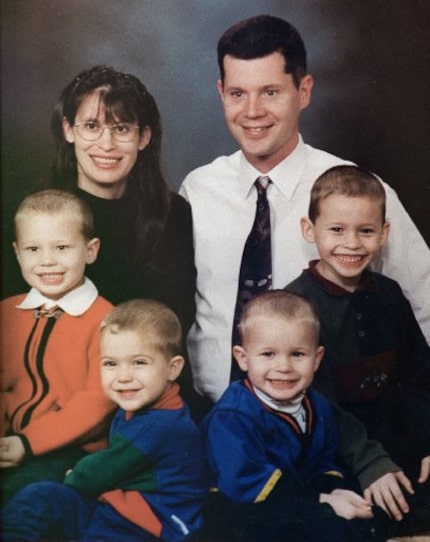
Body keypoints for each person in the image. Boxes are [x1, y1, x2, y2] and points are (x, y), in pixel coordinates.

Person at [179, 14, 430, 404]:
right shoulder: (198, 189)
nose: (252, 111)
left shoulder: (360, 192)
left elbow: (425, 304)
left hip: (327, 426)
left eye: (270, 92)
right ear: (220, 92)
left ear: (305, 90)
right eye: (237, 93)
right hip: (210, 418)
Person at [286, 165, 430, 536]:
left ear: (383, 234)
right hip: (331, 454)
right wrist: (371, 464)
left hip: (394, 446)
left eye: (365, 231)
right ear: (309, 230)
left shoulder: (389, 295)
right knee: (348, 522)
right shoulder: (293, 308)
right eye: (336, 230)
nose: (351, 243)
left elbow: (419, 378)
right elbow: (312, 406)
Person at [3, 65, 196, 337]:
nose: (107, 144)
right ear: (68, 130)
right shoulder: (30, 216)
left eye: (121, 128)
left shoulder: (173, 214)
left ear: (143, 137)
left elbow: (179, 318)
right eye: (92, 126)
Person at [2, 299, 207, 542]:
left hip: (151, 522)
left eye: (139, 363)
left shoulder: (161, 425)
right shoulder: (141, 403)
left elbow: (94, 474)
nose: (123, 377)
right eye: (110, 364)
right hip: (116, 505)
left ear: (173, 369)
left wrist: (75, 474)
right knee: (41, 497)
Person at [201, 290, 390, 542]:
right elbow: (244, 484)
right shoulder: (232, 417)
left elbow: (323, 461)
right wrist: (322, 503)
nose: (284, 367)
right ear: (243, 358)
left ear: (316, 358)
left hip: (295, 501)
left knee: (364, 518)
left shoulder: (317, 406)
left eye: (297, 354)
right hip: (242, 508)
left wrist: (334, 490)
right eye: (268, 354)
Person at [0, 189, 115, 504]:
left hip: (68, 450)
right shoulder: (7, 312)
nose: (47, 261)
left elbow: (97, 403)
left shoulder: (107, 321)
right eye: (33, 249)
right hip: (10, 442)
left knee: (22, 498)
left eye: (62, 247)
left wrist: (27, 442)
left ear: (90, 251)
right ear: (17, 253)